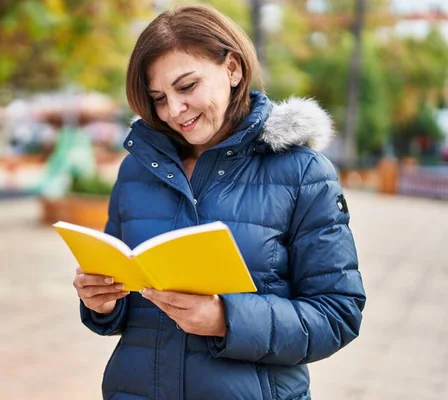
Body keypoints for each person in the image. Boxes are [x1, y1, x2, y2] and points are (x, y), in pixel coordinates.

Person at [73, 4, 366, 399]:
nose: (174, 110)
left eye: (187, 86)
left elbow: (337, 314)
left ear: (233, 69)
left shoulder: (301, 172)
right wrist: (102, 303)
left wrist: (227, 319)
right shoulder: (137, 171)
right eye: (158, 97)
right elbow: (127, 299)